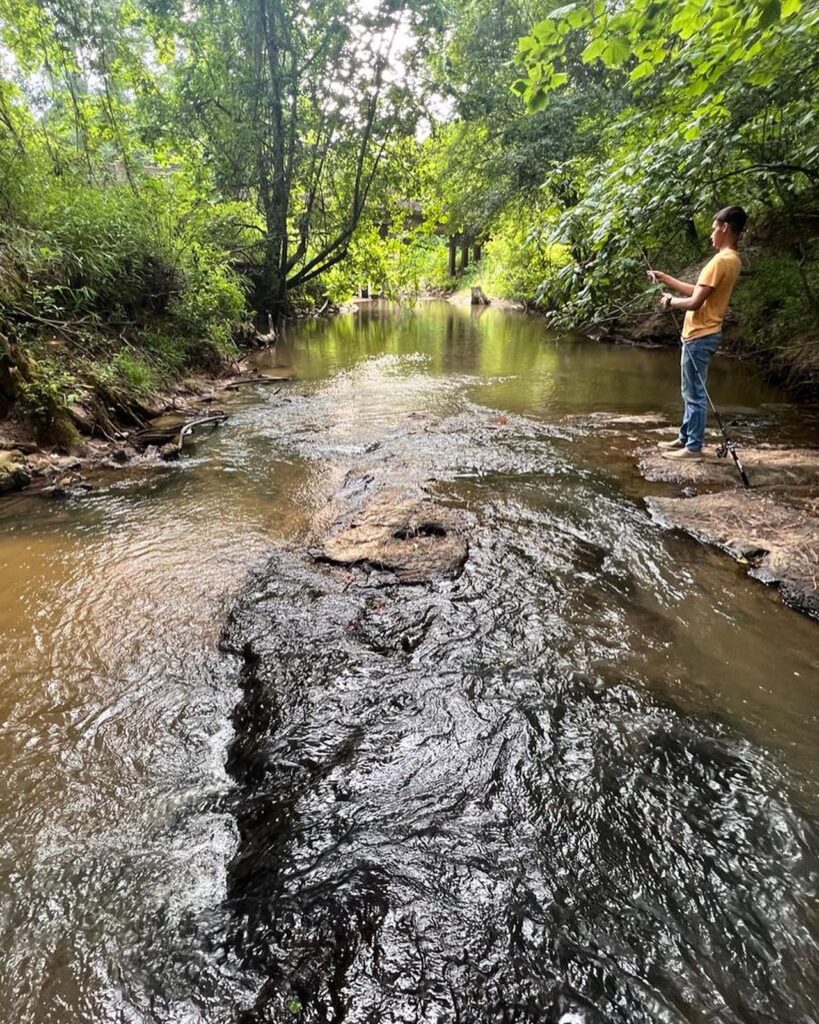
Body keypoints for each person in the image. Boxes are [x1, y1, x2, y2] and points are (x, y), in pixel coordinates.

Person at [647, 205, 747, 460]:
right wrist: (666, 278)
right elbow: (697, 290)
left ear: (725, 227)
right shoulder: (732, 259)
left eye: (714, 229)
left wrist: (670, 302)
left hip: (701, 335)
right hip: (703, 334)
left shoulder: (721, 261)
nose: (711, 234)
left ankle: (693, 447)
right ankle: (685, 437)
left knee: (694, 393)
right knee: (689, 391)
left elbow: (694, 302)